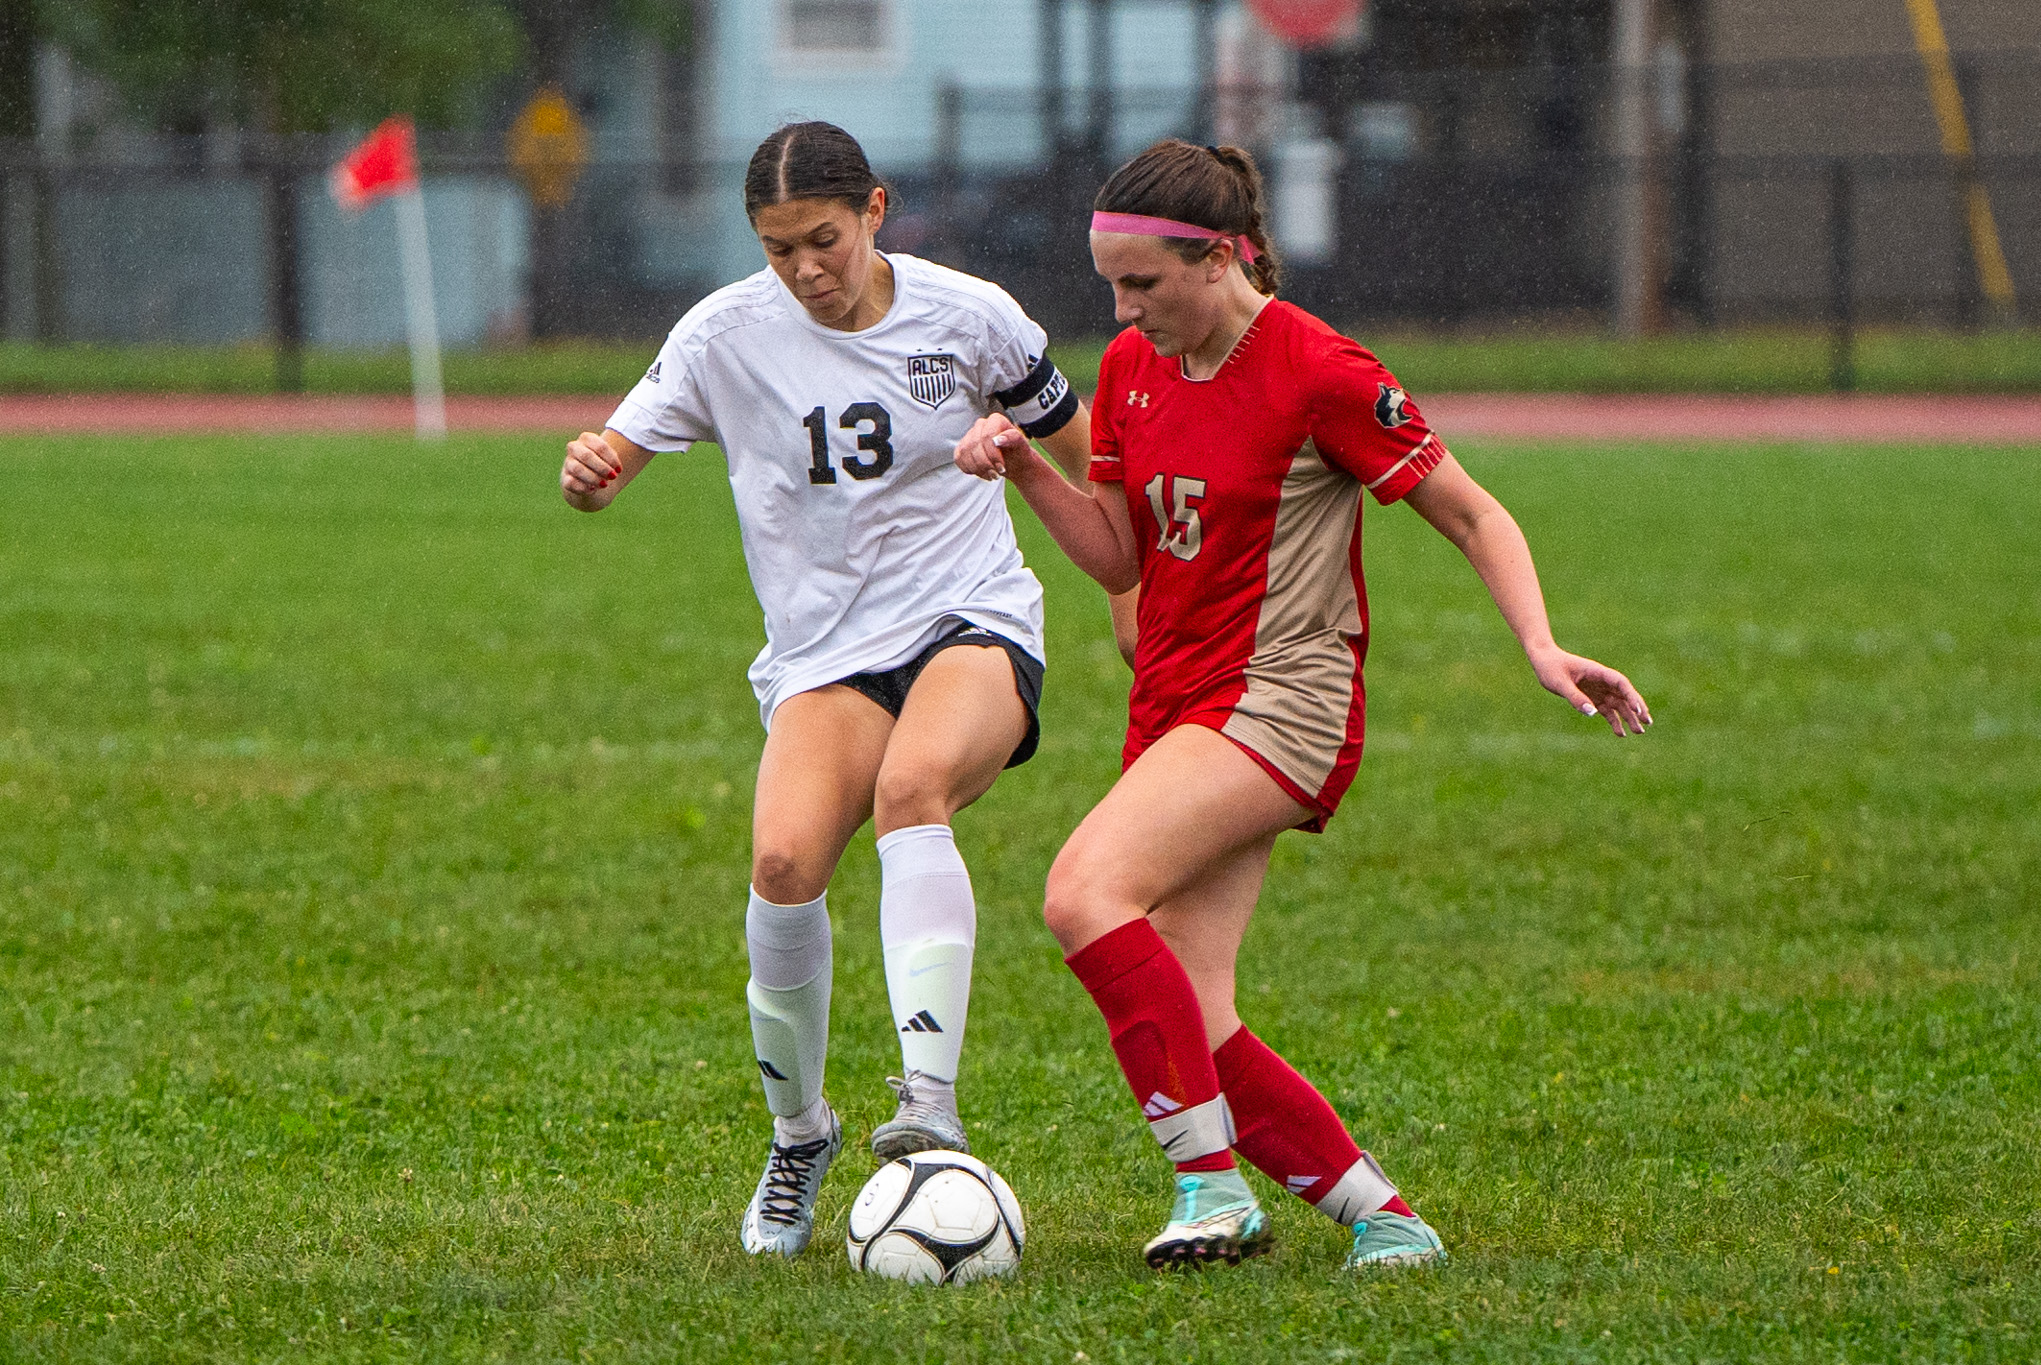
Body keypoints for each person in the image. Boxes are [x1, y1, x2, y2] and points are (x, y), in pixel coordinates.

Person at [955, 139, 1651, 1271]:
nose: (1124, 310)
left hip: (1281, 700)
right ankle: (1383, 1217)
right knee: (1192, 1005)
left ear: (1222, 256)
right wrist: (1031, 464)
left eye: (1144, 284)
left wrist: (1538, 643)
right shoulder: (1132, 369)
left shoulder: (1318, 367)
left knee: (1083, 893)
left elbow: (1473, 514)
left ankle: (1208, 1189)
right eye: (1110, 287)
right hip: (1178, 700)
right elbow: (1120, 553)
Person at [562, 121, 1091, 1258]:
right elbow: (614, 456)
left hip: (972, 616)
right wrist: (594, 473)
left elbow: (1087, 457)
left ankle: (928, 1103)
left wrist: (1032, 462)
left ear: (875, 213)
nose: (805, 269)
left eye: (822, 239)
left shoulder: (970, 315)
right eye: (776, 249)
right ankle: (799, 1135)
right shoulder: (722, 333)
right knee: (783, 866)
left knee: (912, 793)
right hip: (823, 654)